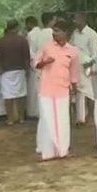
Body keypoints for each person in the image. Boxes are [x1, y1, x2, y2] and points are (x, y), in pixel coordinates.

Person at [35, 24, 81, 160]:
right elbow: (35, 63)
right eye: (54, 31)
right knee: (47, 119)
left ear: (65, 33)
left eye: (58, 31)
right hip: (46, 89)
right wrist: (44, 62)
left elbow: (74, 72)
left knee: (62, 120)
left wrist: (74, 88)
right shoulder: (46, 47)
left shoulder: (73, 51)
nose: (54, 34)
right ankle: (48, 152)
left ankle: (62, 150)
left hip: (63, 89)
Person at [0, 20, 31, 125]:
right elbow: (26, 56)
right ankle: (21, 118)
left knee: (8, 96)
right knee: (21, 95)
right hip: (19, 69)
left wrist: (0, 69)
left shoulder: (1, 40)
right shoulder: (22, 40)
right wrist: (27, 69)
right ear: (16, 27)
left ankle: (10, 119)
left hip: (6, 71)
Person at [70, 13, 97, 123]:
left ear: (83, 20)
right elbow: (72, 48)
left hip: (87, 66)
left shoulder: (92, 34)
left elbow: (95, 53)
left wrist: (91, 65)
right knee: (78, 91)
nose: (74, 22)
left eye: (76, 19)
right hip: (76, 65)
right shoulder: (75, 33)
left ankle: (90, 115)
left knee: (89, 92)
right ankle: (80, 117)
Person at [24, 15, 44, 118]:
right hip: (42, 63)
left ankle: (32, 112)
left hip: (34, 65)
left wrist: (32, 63)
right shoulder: (41, 33)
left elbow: (30, 51)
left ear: (29, 24)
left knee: (33, 89)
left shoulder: (30, 34)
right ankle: (40, 111)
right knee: (40, 89)